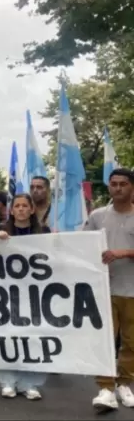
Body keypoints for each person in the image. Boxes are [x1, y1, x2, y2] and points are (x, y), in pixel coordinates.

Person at [84, 168, 134, 412]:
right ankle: (105, 388)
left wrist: (124, 252)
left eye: (123, 184)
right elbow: (83, 245)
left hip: (132, 289)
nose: (117, 188)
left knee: (131, 342)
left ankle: (124, 384)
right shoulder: (97, 216)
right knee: (103, 340)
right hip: (103, 288)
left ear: (131, 187)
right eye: (113, 184)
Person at [0, 193, 51, 400]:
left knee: (33, 338)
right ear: (11, 210)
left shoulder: (43, 231)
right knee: (7, 337)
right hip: (6, 293)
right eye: (16, 206)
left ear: (32, 209)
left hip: (35, 293)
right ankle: (8, 382)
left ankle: (31, 383)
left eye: (24, 206)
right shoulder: (1, 229)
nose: (20, 209)